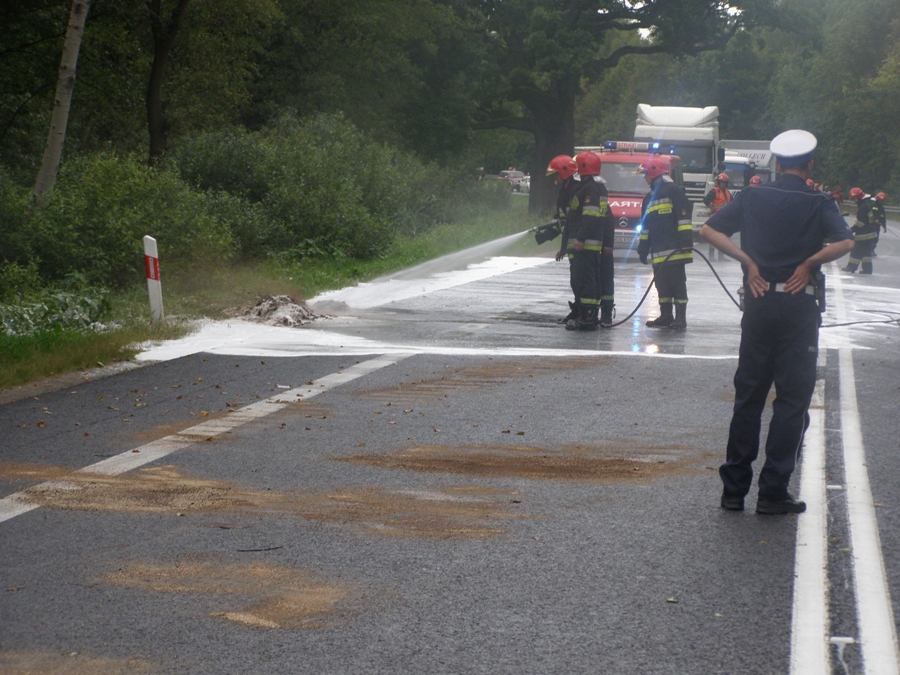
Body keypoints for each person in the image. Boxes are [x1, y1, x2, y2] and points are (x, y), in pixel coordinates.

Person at [700, 129, 854, 514]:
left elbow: (709, 229)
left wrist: (748, 261)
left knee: (749, 396)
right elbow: (846, 242)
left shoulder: (752, 195)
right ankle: (773, 492)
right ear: (810, 165)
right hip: (797, 306)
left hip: (758, 301)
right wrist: (808, 263)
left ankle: (733, 490)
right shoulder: (818, 201)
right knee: (790, 401)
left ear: (776, 163)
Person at [638, 155, 694, 329]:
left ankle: (681, 318)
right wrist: (643, 247)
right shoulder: (648, 198)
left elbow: (683, 218)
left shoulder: (673, 191)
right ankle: (666, 316)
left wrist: (685, 242)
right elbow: (645, 226)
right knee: (662, 285)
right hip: (658, 251)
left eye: (646, 173)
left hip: (676, 249)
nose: (645, 177)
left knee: (677, 284)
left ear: (654, 173)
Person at [564, 151, 616, 330]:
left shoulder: (590, 189)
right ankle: (589, 316)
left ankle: (588, 318)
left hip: (586, 245)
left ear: (583, 168)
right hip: (590, 244)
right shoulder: (595, 187)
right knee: (589, 281)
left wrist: (580, 238)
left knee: (587, 281)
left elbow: (590, 216)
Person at [546, 154, 580, 323]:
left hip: (579, 243)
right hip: (572, 242)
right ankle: (578, 309)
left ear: (565, 173)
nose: (555, 178)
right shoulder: (564, 192)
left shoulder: (577, 191)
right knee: (575, 279)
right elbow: (563, 220)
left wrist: (567, 244)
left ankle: (582, 312)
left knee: (579, 279)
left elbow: (574, 220)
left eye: (556, 174)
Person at [843, 187, 877, 274]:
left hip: (864, 235)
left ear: (859, 197)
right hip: (870, 234)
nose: (854, 201)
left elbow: (860, 223)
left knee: (856, 251)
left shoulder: (863, 207)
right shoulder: (866, 204)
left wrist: (850, 230)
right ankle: (867, 269)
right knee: (866, 253)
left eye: (854, 198)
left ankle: (851, 267)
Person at [703, 173, 732, 261]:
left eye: (724, 182)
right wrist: (711, 207)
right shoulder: (714, 191)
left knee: (723, 236)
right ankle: (711, 256)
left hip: (724, 218)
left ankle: (721, 256)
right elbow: (706, 200)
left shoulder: (728, 192)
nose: (723, 184)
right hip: (715, 217)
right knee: (713, 236)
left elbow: (732, 203)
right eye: (721, 182)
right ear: (718, 182)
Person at [871, 191, 887, 257]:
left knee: (876, 238)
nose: (881, 202)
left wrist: (884, 227)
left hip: (877, 226)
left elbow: (883, 218)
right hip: (871, 225)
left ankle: (872, 250)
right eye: (880, 200)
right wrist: (874, 220)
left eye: (882, 201)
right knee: (870, 237)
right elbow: (869, 214)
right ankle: (867, 250)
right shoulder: (872, 205)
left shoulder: (882, 208)